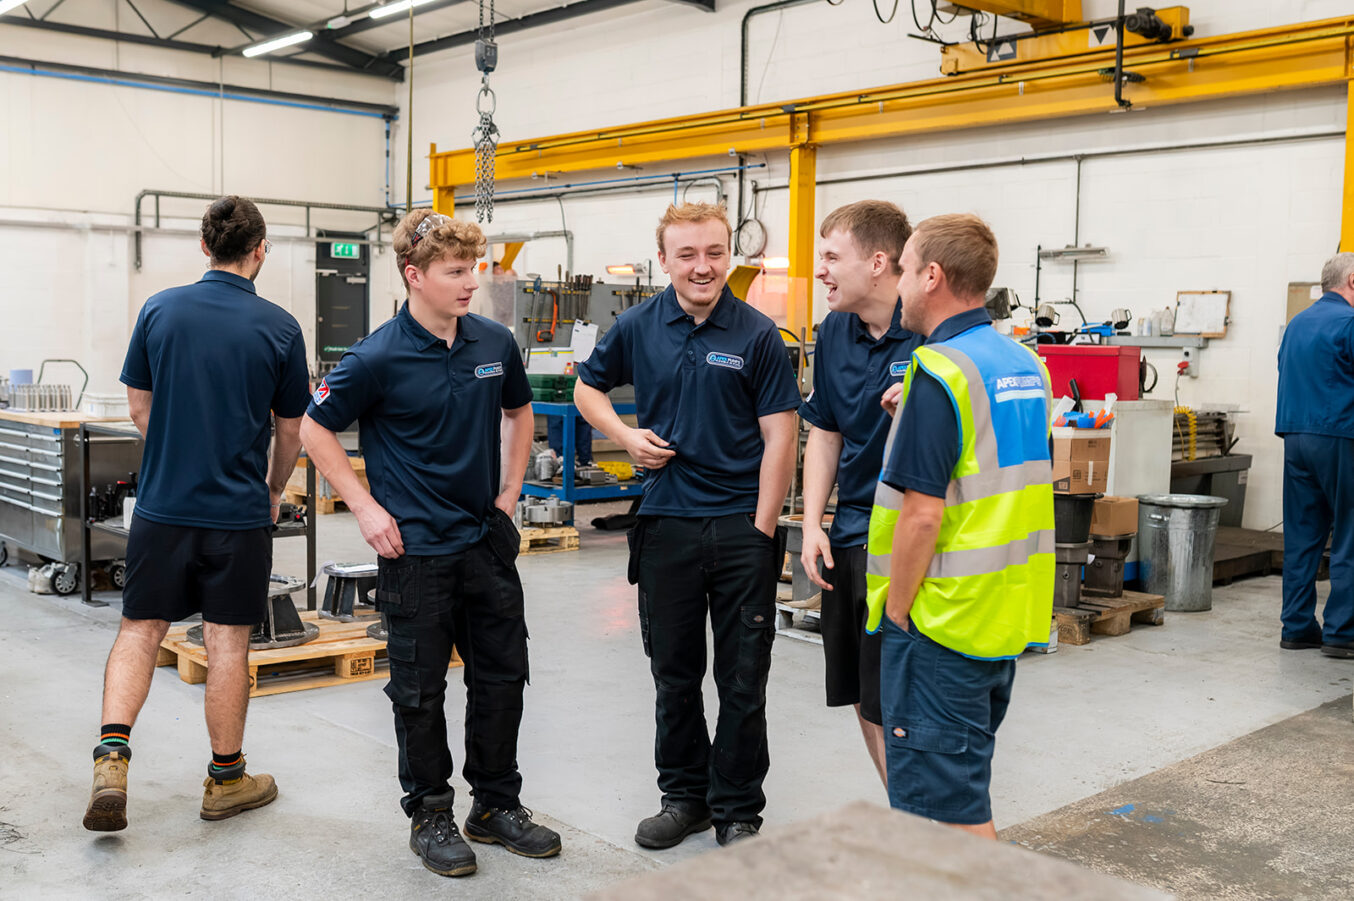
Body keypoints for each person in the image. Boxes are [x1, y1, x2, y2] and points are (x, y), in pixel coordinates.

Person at [300, 211, 559, 878]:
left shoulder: (494, 342)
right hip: (413, 551)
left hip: (484, 541)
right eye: (455, 271)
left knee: (502, 676)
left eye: (474, 269)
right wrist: (364, 506)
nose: (470, 282)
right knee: (419, 691)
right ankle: (430, 813)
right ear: (414, 275)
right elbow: (313, 428)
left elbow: (519, 411)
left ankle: (495, 804)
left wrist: (510, 492)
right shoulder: (376, 356)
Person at [574, 202, 800, 848]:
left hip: (740, 526)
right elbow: (588, 388)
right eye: (687, 254)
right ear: (664, 260)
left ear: (729, 255)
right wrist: (624, 435)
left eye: (714, 252)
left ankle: (738, 809)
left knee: (743, 678)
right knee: (673, 674)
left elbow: (781, 437)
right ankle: (684, 798)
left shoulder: (758, 334)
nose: (702, 266)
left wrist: (761, 531)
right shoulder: (639, 325)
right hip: (666, 524)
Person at [83, 196, 309, 831]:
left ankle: (111, 760)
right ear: (259, 251)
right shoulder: (281, 327)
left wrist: (174, 453)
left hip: (163, 510)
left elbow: (139, 405)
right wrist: (272, 488)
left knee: (139, 630)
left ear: (205, 247)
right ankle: (227, 781)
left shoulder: (159, 310)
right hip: (237, 514)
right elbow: (291, 430)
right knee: (227, 641)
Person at [866, 213, 1054, 839]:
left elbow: (922, 515)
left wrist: (897, 614)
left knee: (945, 818)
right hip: (1000, 614)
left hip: (940, 622)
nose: (897, 285)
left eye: (904, 270)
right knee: (963, 791)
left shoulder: (939, 371)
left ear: (932, 276)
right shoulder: (1025, 366)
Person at [799, 200, 922, 787]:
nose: (819, 270)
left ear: (877, 262)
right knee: (862, 693)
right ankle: (902, 807)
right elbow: (826, 430)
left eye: (831, 256)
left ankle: (926, 815)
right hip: (850, 536)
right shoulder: (834, 332)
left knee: (905, 700)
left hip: (912, 540)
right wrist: (812, 523)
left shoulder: (929, 331)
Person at [1275, 252, 1354, 658]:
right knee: (1350, 534)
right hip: (1340, 436)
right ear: (1352, 281)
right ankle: (1342, 632)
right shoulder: (1349, 322)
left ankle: (1297, 627)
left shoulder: (1296, 325)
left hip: (1296, 438)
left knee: (1303, 536)